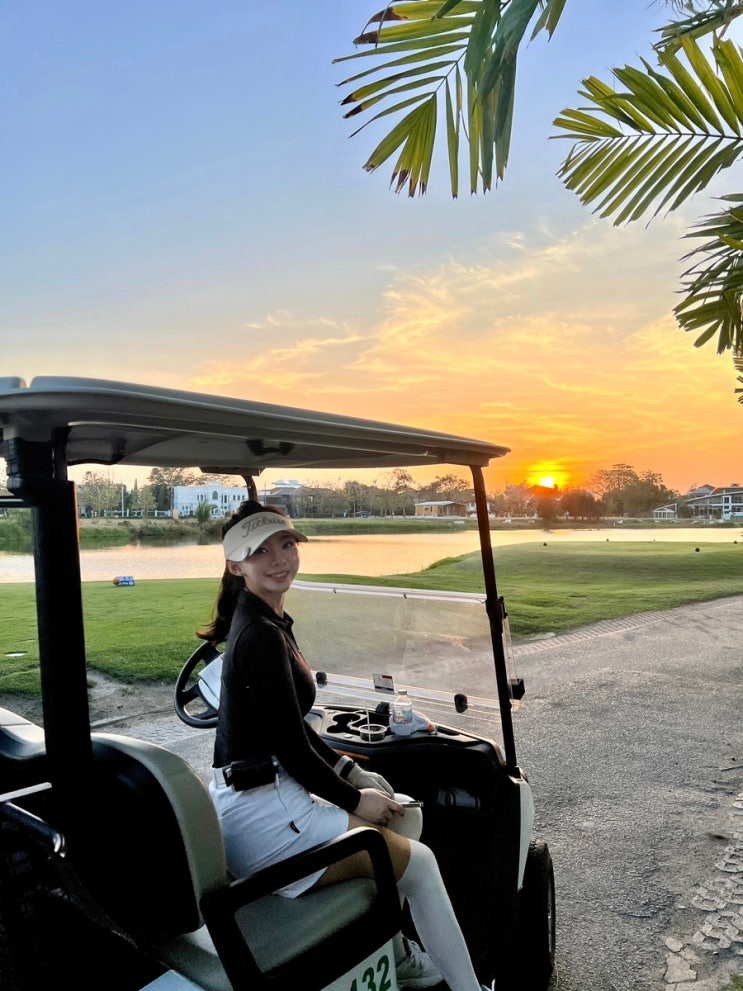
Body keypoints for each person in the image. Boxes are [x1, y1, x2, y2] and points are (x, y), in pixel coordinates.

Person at [201, 500, 486, 991]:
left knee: (405, 816)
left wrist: (352, 773)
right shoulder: (258, 636)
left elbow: (290, 728)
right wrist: (354, 799)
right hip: (266, 818)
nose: (279, 559)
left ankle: (393, 950)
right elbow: (292, 748)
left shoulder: (266, 620)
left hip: (269, 799)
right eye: (260, 551)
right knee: (421, 865)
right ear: (235, 565)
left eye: (286, 544)